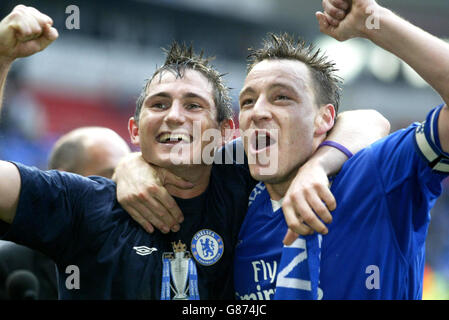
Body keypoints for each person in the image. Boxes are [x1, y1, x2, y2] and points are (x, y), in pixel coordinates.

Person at [0, 5, 387, 299]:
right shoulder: (83, 203)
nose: (174, 117)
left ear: (224, 132)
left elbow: (370, 121)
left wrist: (316, 168)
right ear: (134, 130)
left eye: (194, 105)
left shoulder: (243, 174)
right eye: (159, 104)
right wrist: (2, 58)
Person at [233, 0, 449, 299]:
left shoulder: (374, 173)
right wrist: (142, 169)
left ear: (325, 118)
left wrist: (376, 22)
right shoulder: (234, 192)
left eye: (281, 97)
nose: (257, 111)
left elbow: (373, 121)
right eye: (247, 101)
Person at [0, 126, 130, 299]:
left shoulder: (135, 257)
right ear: (62, 182)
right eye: (106, 178)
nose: (121, 189)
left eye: (127, 178)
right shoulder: (9, 263)